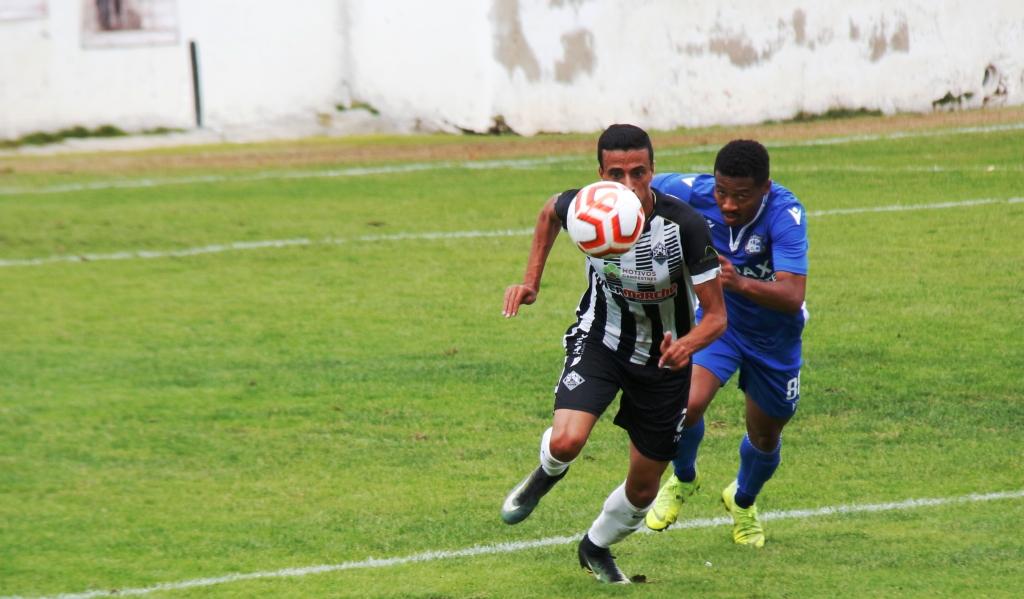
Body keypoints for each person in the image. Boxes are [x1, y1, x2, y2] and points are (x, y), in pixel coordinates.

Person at [500, 124, 727, 583]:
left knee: (643, 491)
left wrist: (686, 344)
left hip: (664, 363)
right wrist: (531, 281)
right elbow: (550, 213)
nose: (628, 185)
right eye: (616, 174)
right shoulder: (586, 207)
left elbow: (717, 316)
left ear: (653, 170)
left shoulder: (684, 225)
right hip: (601, 339)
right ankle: (546, 473)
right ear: (600, 174)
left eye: (639, 172)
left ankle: (596, 546)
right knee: (566, 440)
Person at [644, 140, 808, 549]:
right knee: (684, 406)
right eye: (721, 192)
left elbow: (792, 295)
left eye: (741, 196)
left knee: (765, 436)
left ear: (765, 188)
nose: (728, 205)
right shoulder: (690, 190)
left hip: (775, 340)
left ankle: (743, 501)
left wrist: (737, 282)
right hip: (720, 326)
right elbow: (638, 190)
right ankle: (683, 478)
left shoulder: (786, 214)